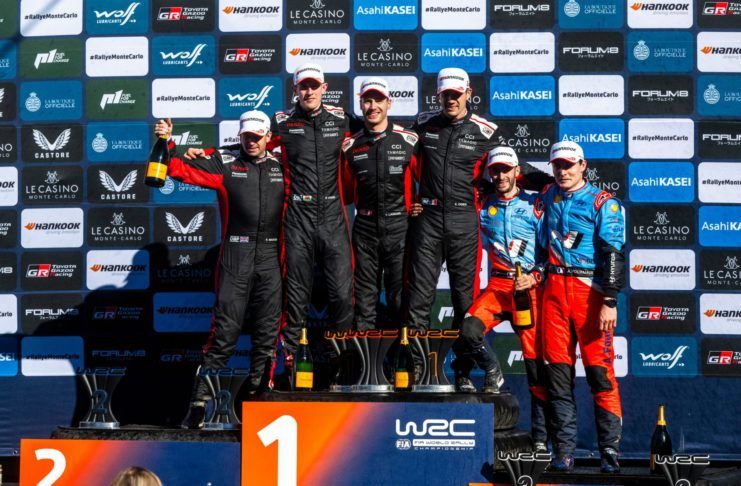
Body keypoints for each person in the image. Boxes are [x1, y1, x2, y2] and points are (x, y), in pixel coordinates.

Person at [186, 64, 361, 380]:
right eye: (303, 86)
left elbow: (375, 138)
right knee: (295, 300)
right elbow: (250, 147)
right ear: (295, 90)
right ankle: (293, 370)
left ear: (325, 88)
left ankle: (343, 368)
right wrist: (208, 153)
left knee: (341, 295)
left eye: (314, 85)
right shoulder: (281, 122)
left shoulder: (342, 119)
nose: (309, 91)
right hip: (298, 217)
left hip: (333, 216)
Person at [153, 111, 284, 429]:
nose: (251, 141)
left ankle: (258, 403)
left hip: (271, 256)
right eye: (246, 136)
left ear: (268, 137)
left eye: (257, 136)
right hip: (235, 256)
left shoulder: (284, 163)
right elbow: (178, 169)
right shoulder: (224, 162)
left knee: (268, 336)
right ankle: (198, 406)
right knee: (224, 335)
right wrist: (167, 142)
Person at [405, 67, 552, 333]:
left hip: (464, 220)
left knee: (465, 303)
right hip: (428, 220)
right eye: (446, 94)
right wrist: (410, 200)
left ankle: (461, 360)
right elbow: (399, 163)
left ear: (468, 93)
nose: (451, 99)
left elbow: (515, 168)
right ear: (438, 95)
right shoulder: (423, 124)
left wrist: (556, 185)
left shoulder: (485, 131)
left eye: (456, 94)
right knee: (418, 299)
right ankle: (418, 358)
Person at [452, 147, 549, 452]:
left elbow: (552, 252)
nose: (500, 176)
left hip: (526, 289)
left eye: (506, 170)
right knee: (468, 329)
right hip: (497, 286)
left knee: (535, 367)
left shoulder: (536, 204)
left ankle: (541, 438)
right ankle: (492, 370)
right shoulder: (483, 203)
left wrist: (535, 276)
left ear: (517, 171)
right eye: (495, 170)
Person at [540, 141, 625, 473]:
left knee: (600, 375)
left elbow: (613, 253)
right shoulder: (549, 193)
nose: (563, 171)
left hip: (589, 292)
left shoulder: (603, 202)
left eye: (569, 165)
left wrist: (610, 300)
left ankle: (609, 452)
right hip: (553, 292)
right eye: (557, 165)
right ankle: (564, 452)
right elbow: (521, 176)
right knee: (558, 377)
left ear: (583, 165)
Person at [340, 77, 421, 329]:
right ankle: (366, 354)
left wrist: (420, 204)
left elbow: (429, 180)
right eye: (367, 101)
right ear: (361, 104)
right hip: (365, 227)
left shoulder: (409, 140)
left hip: (400, 227)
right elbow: (346, 193)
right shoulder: (350, 146)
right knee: (364, 299)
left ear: (389, 103)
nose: (372, 106)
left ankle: (401, 352)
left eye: (378, 101)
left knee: (399, 297)